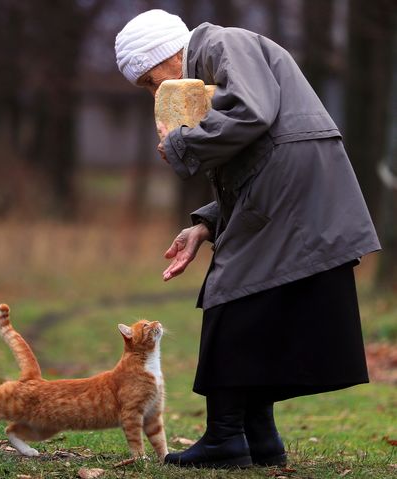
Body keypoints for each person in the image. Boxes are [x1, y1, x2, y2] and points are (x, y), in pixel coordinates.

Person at [115, 9, 381, 469]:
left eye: (147, 79)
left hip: (293, 190)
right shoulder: (209, 69)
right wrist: (206, 224)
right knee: (254, 304)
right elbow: (256, 157)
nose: (152, 92)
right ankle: (259, 439)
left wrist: (181, 144)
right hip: (290, 188)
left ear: (164, 55)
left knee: (230, 295)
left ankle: (225, 438)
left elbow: (251, 114)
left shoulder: (222, 44)